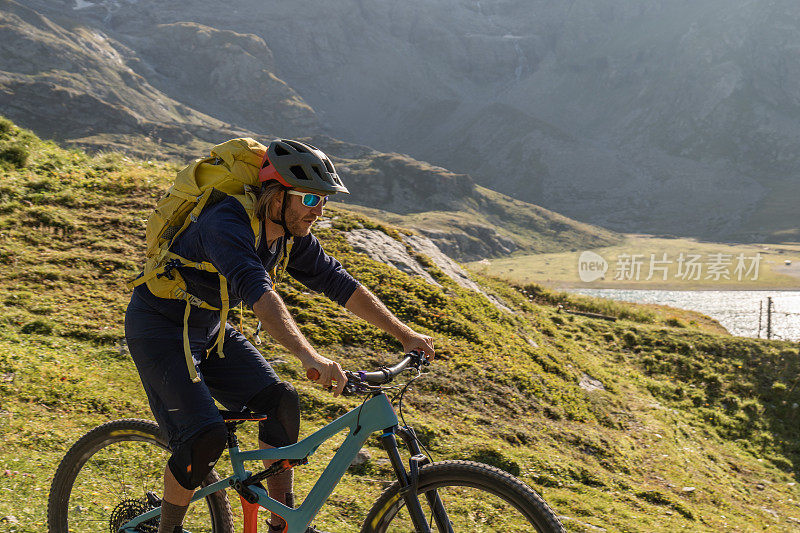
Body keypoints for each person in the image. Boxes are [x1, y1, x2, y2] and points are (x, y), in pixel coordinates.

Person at [124, 139, 435, 533]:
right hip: (161, 328)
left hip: (210, 327)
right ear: (276, 197)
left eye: (323, 202)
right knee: (204, 437)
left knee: (280, 402)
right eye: (309, 200)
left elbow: (338, 283)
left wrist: (405, 334)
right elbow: (261, 296)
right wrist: (310, 356)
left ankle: (281, 527)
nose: (318, 211)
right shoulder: (225, 224)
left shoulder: (287, 232)